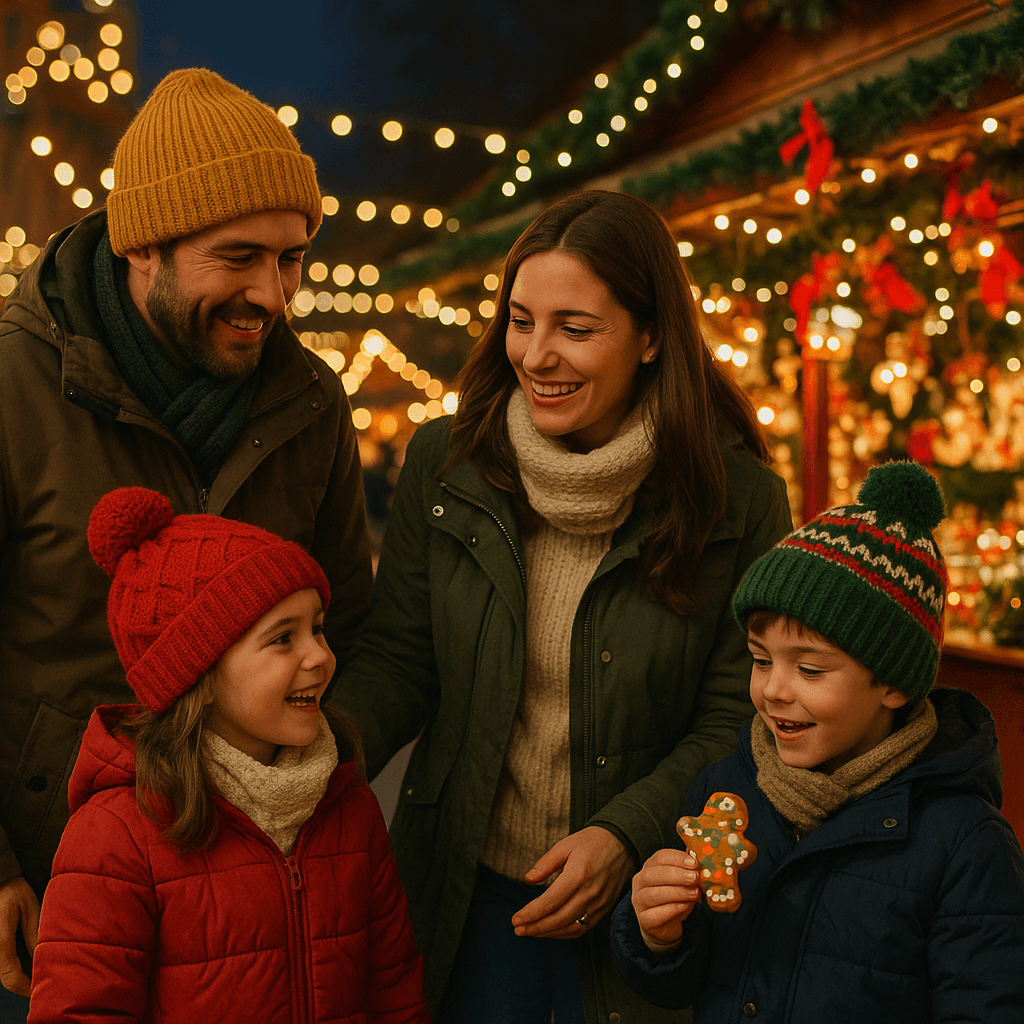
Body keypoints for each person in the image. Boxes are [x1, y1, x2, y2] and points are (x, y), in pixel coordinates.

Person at [335, 190, 793, 1022]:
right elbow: (401, 658)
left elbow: (738, 715)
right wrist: (313, 757)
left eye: (576, 329)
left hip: (647, 905)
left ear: (652, 337)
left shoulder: (738, 500)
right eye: (520, 320)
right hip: (462, 891)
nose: (537, 355)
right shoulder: (447, 461)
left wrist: (626, 835)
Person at [0, 68, 372, 1012]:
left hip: (259, 895)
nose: (274, 294)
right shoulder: (12, 384)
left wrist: (328, 819)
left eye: (291, 259)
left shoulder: (311, 400)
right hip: (56, 885)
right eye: (238, 257)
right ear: (144, 251)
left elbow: (354, 627)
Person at [610, 461, 1024, 1022]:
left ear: (893, 683)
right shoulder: (724, 790)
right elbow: (686, 983)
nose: (774, 690)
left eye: (809, 670)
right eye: (760, 660)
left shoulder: (964, 844)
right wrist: (659, 938)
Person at [26, 488, 428, 1023]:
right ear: (201, 677)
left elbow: (394, 993)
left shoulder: (347, 808)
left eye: (318, 628)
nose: (320, 656)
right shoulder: (116, 836)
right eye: (283, 638)